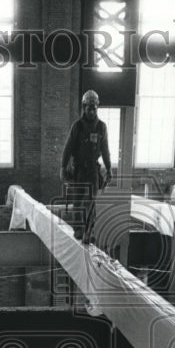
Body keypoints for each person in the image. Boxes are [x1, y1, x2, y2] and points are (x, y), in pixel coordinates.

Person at [59, 89, 112, 243]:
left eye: (94, 107)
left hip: (92, 171)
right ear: (84, 107)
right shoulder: (77, 127)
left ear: (97, 107)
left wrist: (109, 169)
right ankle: (79, 230)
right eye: (88, 107)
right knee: (77, 202)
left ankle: (89, 231)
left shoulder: (101, 127)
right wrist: (63, 167)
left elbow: (105, 149)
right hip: (78, 170)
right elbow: (68, 148)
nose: (91, 111)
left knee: (90, 201)